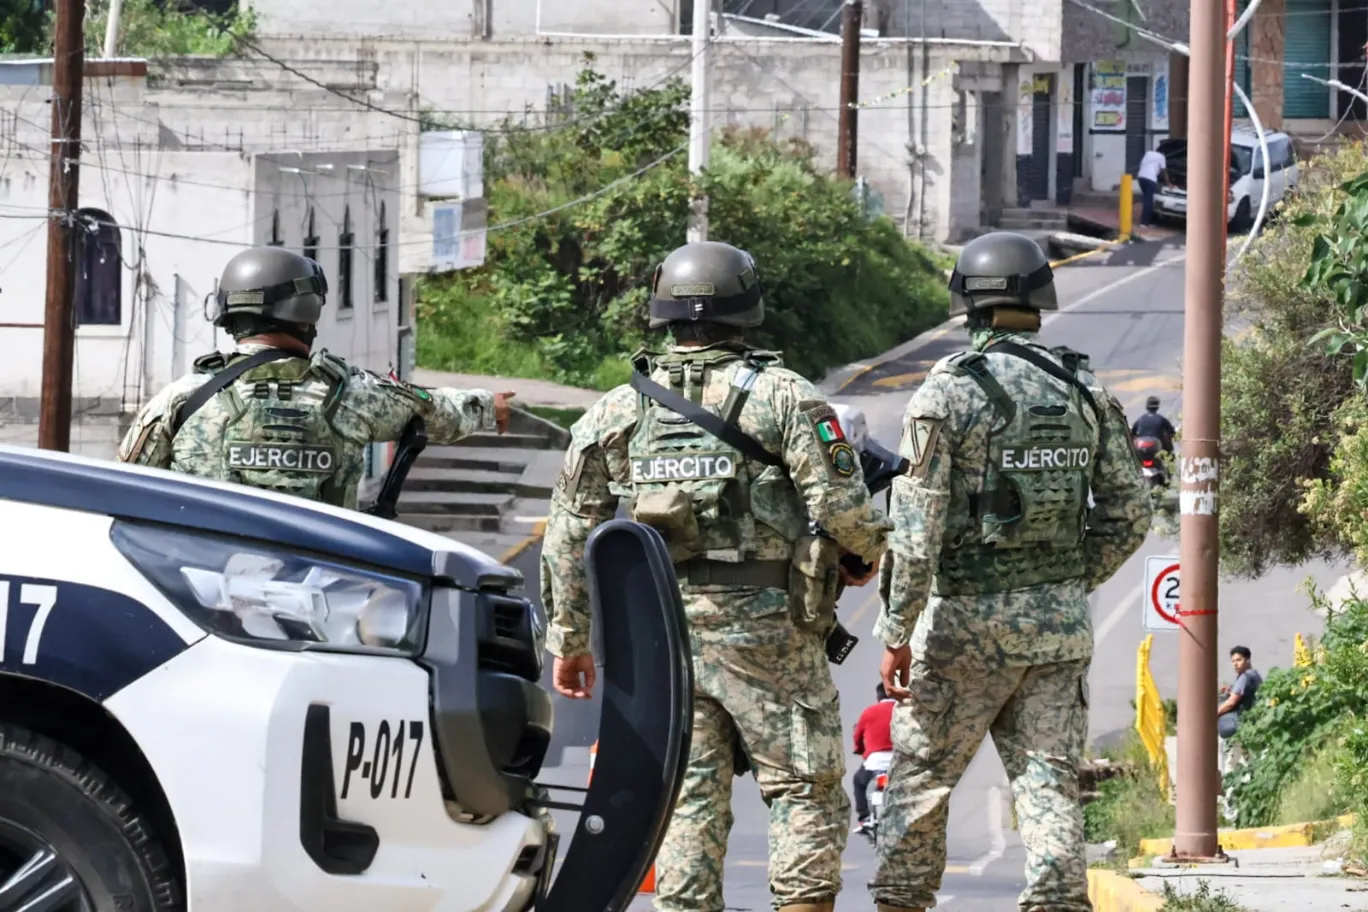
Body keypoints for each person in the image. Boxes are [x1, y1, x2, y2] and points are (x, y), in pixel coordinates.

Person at [540, 240, 892, 912]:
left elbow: (567, 533)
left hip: (662, 642)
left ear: (663, 313)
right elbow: (843, 509)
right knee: (802, 786)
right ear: (746, 310)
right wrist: (864, 553)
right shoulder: (787, 399)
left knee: (686, 796)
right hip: (771, 636)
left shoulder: (617, 411)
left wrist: (570, 639)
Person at [869, 231, 1153, 912]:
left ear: (968, 301)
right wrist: (1064, 581)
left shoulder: (948, 394)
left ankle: (901, 901)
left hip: (964, 624)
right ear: (1039, 300)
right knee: (1049, 782)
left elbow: (915, 529)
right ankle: (1056, 902)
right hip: (1056, 629)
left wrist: (896, 631)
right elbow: (1131, 511)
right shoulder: (1083, 387)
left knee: (922, 778)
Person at [118, 246, 516, 506]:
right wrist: (487, 406)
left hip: (199, 595)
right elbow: (436, 412)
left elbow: (125, 488)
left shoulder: (184, 398)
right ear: (307, 311)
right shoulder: (352, 394)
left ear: (229, 314)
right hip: (324, 595)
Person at [852, 682, 896, 835]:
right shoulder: (904, 711)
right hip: (900, 760)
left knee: (859, 782)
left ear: (878, 696)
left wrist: (859, 749)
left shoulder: (869, 712)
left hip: (875, 761)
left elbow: (857, 735)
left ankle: (863, 817)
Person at [1218, 645, 1263, 771]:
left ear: (1247, 660)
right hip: (1251, 724)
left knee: (1230, 762)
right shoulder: (1255, 675)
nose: (1235, 664)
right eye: (1233, 661)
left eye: (1239, 660)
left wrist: (1215, 713)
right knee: (1251, 760)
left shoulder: (1244, 677)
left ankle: (1228, 790)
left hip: (1240, 725)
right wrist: (1230, 690)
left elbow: (1232, 702)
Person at [1136, 147, 1167, 227]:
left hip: (1141, 178)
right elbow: (1164, 171)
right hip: (1150, 180)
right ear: (1164, 153)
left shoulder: (1148, 153)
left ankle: (1148, 221)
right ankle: (1144, 223)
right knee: (1148, 202)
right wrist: (1169, 183)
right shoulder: (1162, 157)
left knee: (1148, 199)